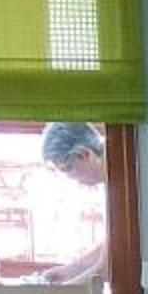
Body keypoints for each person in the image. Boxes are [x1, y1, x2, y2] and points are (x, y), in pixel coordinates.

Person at [39, 122, 109, 285]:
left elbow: (108, 267)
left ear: (84, 154)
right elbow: (110, 246)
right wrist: (68, 271)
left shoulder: (121, 180)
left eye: (66, 168)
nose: (70, 178)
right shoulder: (111, 181)